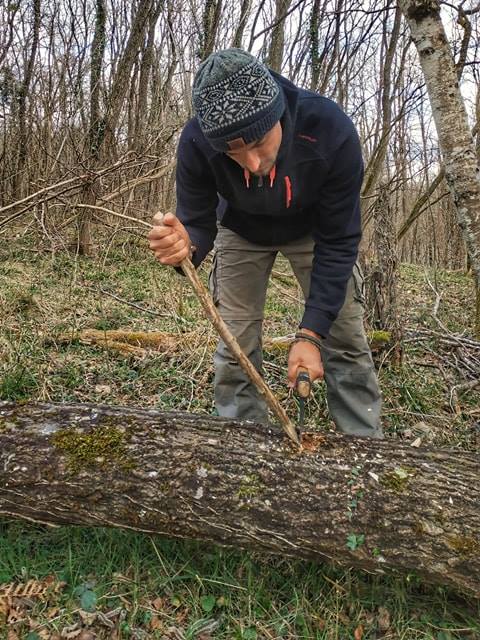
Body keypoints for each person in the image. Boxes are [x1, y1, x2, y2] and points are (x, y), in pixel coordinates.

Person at [148, 48, 383, 438]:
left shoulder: (328, 129)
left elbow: (339, 239)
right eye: (233, 152)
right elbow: (197, 223)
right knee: (234, 342)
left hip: (314, 230)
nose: (253, 164)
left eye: (258, 141)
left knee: (343, 338)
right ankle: (244, 445)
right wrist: (184, 246)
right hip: (240, 228)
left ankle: (364, 448)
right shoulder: (196, 141)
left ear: (278, 115)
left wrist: (310, 335)